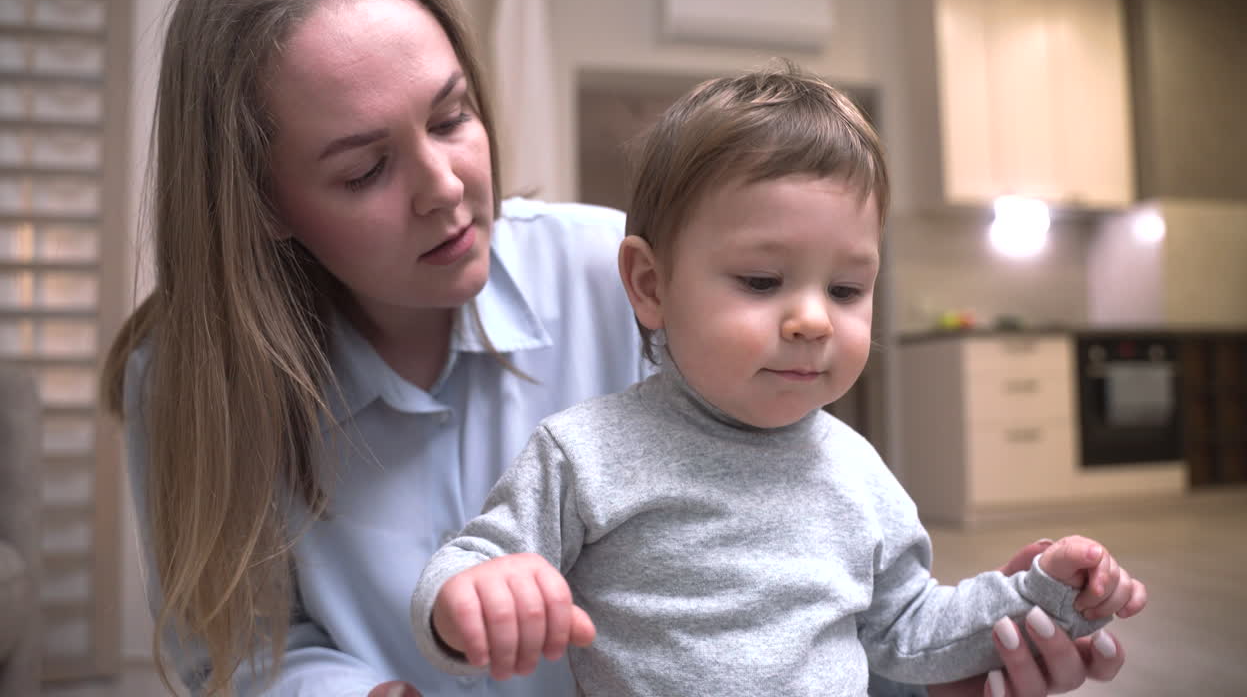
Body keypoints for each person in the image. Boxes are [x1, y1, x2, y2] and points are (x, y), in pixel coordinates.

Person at [101, 0, 1138, 696]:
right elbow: (235, 658)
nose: (446, 187)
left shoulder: (624, 275)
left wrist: (992, 625)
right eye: (363, 169)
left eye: (454, 116)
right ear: (263, 200)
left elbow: (816, 576)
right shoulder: (190, 379)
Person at [409, 65, 1145, 696]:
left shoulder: (859, 474)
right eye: (763, 281)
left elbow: (907, 630)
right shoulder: (584, 453)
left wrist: (1039, 593)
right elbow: (469, 560)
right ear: (650, 285)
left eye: (848, 290)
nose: (813, 321)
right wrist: (468, 596)